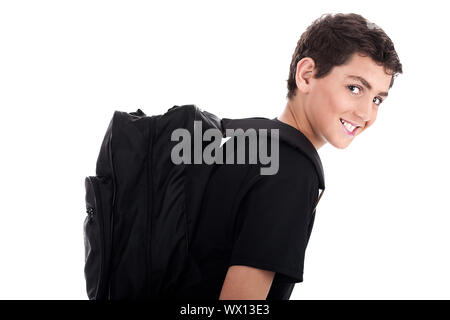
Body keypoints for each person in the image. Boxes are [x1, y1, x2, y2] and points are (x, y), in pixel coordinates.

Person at [174, 12, 403, 300]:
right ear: (306, 75)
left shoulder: (245, 140)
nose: (366, 113)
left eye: (377, 99)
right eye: (354, 88)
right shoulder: (291, 171)